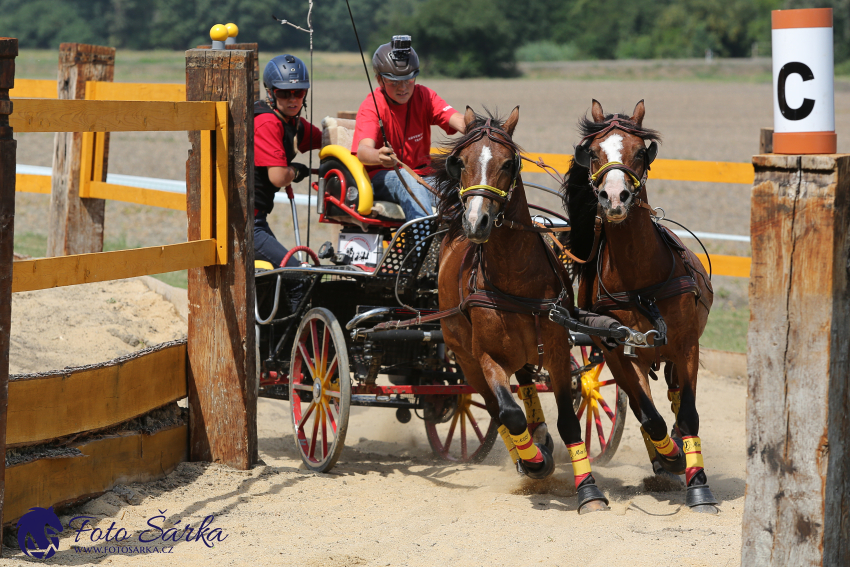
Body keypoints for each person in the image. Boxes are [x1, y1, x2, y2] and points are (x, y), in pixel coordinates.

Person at [352, 35, 466, 221]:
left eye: (408, 80)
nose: (403, 87)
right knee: (405, 178)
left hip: (423, 176)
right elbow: (363, 151)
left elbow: (458, 120)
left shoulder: (425, 96)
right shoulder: (371, 105)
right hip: (384, 177)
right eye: (394, 82)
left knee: (460, 196)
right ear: (380, 80)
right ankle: (421, 237)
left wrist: (480, 127)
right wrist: (378, 155)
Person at [254, 54, 322, 268]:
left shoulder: (292, 123)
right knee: (294, 276)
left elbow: (329, 140)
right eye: (284, 93)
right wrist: (296, 171)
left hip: (257, 219)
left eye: (299, 92)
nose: (293, 99)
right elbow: (279, 176)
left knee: (280, 277)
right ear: (271, 93)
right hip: (242, 222)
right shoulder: (267, 122)